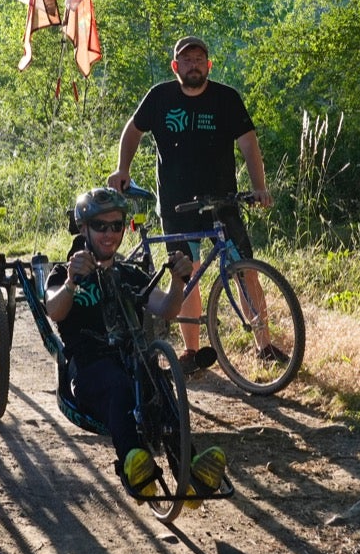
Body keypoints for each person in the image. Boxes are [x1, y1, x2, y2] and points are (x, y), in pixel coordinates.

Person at [108, 34, 282, 374]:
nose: (194, 64)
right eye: (186, 60)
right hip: (177, 206)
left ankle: (264, 346)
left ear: (209, 64)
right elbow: (133, 131)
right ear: (176, 66)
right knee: (186, 278)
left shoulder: (226, 98)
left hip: (222, 202)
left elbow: (249, 143)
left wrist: (259, 187)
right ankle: (191, 352)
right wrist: (122, 169)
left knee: (245, 271)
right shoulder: (160, 96)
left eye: (200, 58)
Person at [46, 187, 227, 504]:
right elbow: (54, 310)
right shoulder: (65, 272)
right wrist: (73, 283)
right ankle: (134, 462)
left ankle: (192, 469)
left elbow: (167, 308)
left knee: (159, 387)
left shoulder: (130, 274)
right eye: (100, 225)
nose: (109, 233)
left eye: (116, 225)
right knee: (118, 386)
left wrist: (178, 280)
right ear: (83, 228)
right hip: (90, 372)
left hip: (134, 364)